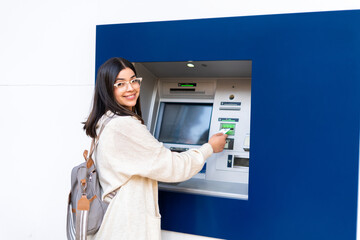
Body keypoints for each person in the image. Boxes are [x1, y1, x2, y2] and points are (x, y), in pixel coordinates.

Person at [83, 57, 227, 240]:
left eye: (133, 80)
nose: (131, 88)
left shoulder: (105, 121)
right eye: (120, 83)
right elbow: (174, 167)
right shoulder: (123, 126)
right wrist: (209, 148)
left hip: (113, 224)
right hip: (125, 228)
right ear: (107, 88)